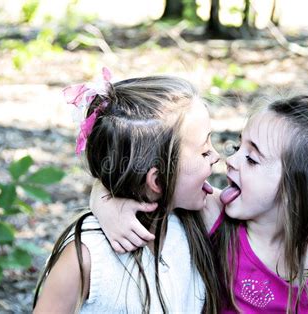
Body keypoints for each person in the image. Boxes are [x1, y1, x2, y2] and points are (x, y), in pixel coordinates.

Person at [91, 95, 308, 312]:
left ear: (298, 192)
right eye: (237, 146)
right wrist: (104, 198)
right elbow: (147, 176)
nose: (230, 161)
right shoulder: (215, 214)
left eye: (252, 159)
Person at [32, 68, 221, 313]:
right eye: (204, 151)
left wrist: (101, 196)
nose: (217, 156)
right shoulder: (86, 259)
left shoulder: (195, 220)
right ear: (157, 181)